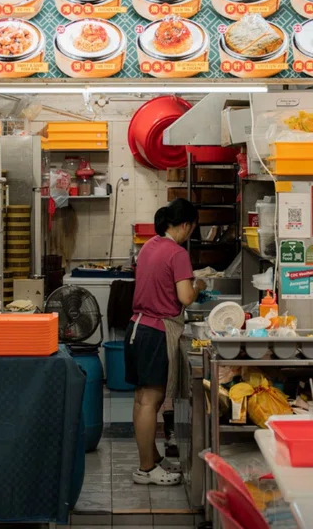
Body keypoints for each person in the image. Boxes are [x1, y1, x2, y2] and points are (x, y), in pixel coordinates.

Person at [127, 199, 204, 486]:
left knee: (141, 399)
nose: (190, 233)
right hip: (156, 331)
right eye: (192, 228)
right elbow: (185, 298)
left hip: (137, 327)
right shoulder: (177, 252)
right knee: (151, 401)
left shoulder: (149, 246)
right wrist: (198, 285)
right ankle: (147, 468)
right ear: (185, 225)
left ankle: (151, 458)